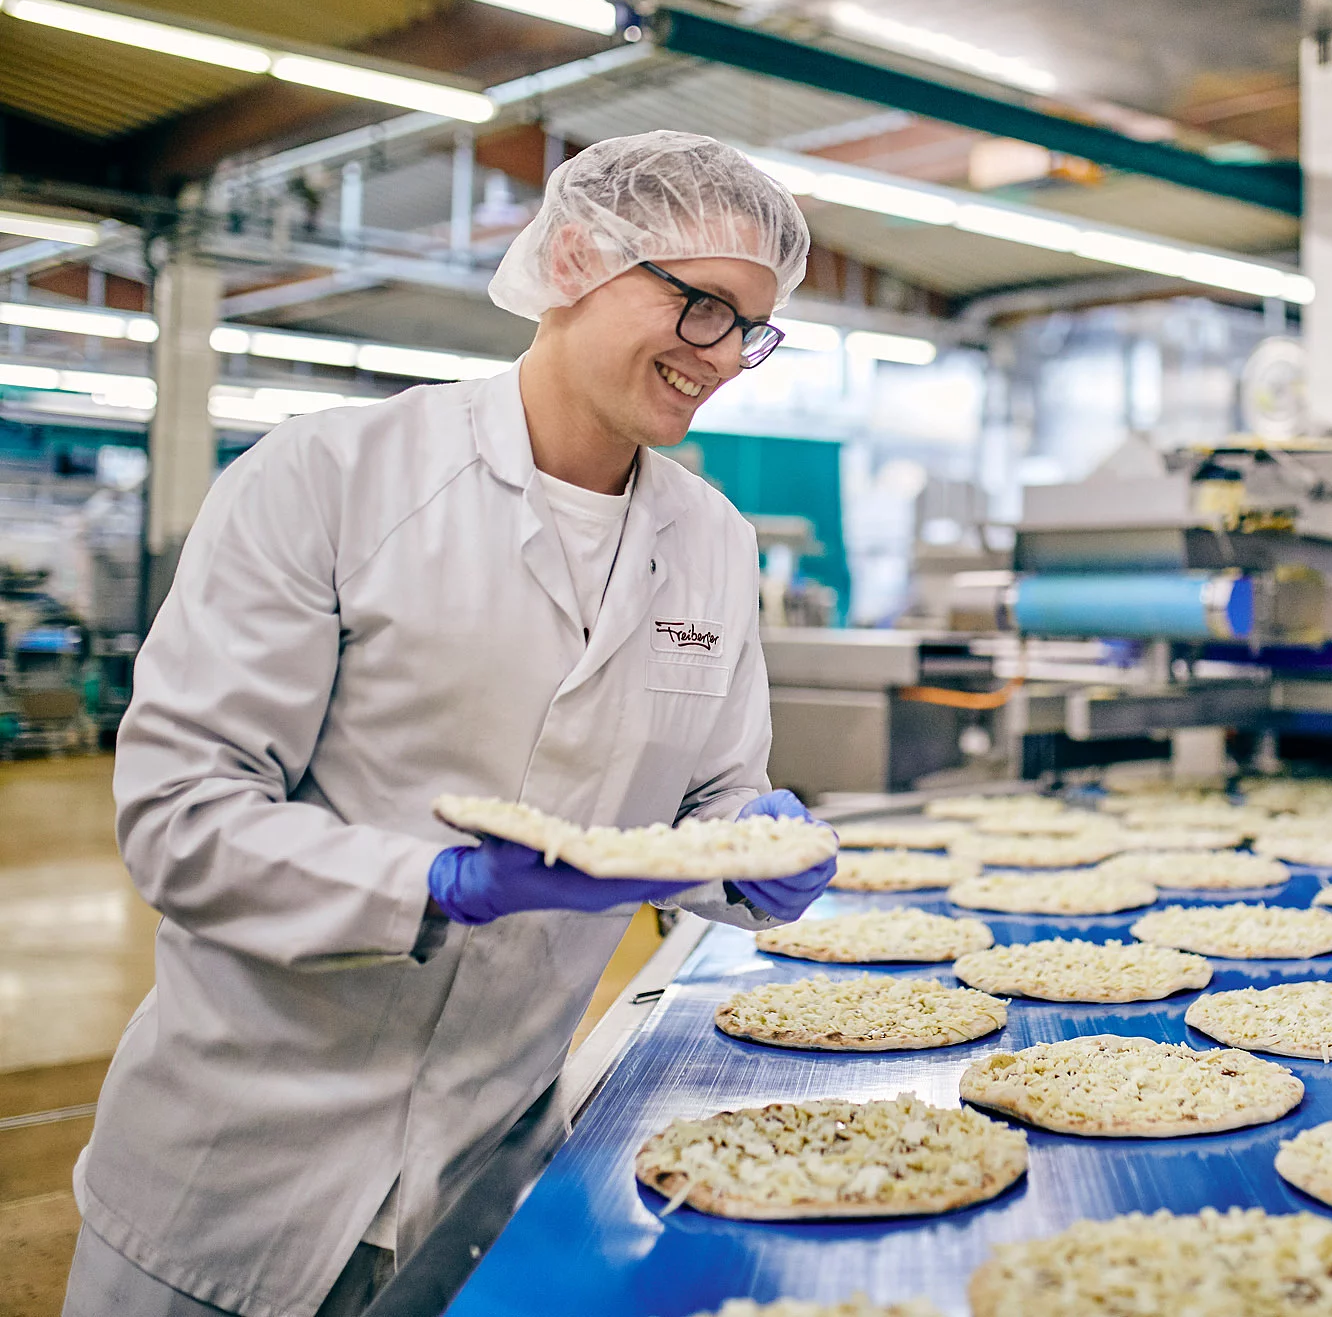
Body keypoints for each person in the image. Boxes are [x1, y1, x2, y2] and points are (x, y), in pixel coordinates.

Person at [62, 131, 831, 1317]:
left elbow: (711, 801)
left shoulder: (712, 542)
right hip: (239, 1163)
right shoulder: (330, 476)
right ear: (573, 260)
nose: (723, 356)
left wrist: (756, 854)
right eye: (699, 306)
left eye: (751, 329)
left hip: (488, 1179)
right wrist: (430, 884)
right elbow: (181, 816)